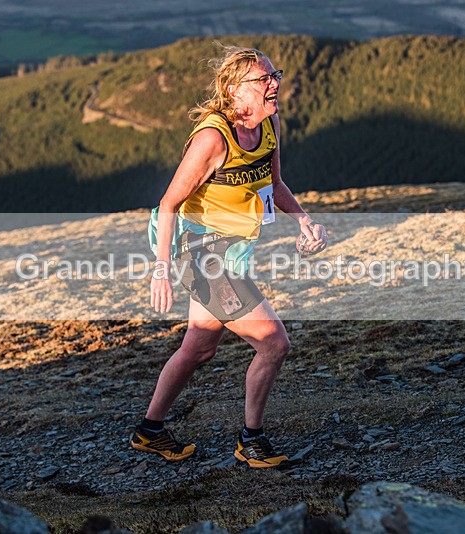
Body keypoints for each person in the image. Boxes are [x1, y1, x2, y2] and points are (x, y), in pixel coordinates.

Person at [130, 45, 327, 468]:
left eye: (275, 75)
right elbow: (168, 204)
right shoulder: (212, 138)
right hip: (200, 255)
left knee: (198, 349)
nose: (274, 84)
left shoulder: (269, 123)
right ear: (236, 90)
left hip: (230, 253)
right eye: (264, 79)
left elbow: (274, 185)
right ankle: (251, 441)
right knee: (274, 343)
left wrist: (303, 220)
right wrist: (161, 271)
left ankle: (149, 431)